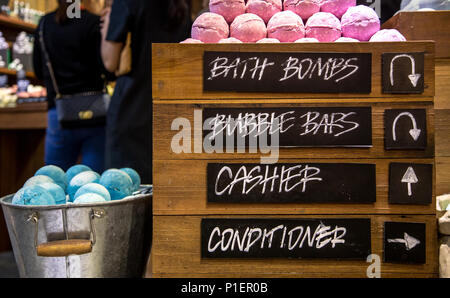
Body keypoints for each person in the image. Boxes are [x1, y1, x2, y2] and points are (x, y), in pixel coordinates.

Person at [100, 0, 191, 184]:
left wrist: (106, 26)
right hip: (171, 111)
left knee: (125, 190)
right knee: (165, 193)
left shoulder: (126, 2)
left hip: (131, 107)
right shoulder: (181, 4)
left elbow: (109, 61)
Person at [33, 0, 110, 173]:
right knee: (93, 185)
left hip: (59, 114)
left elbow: (38, 70)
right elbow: (108, 68)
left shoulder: (45, 24)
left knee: (53, 181)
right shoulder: (93, 22)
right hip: (95, 115)